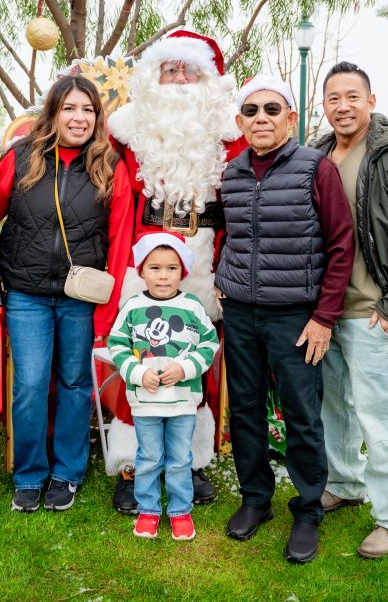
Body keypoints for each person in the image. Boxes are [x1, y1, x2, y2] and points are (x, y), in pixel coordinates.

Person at [105, 30, 246, 513]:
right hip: (144, 255)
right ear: (153, 76)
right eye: (170, 70)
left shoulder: (232, 136)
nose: (180, 79)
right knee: (140, 354)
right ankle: (132, 463)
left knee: (197, 359)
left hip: (206, 258)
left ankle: (190, 460)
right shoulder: (126, 132)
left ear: (209, 79)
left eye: (189, 70)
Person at [215, 75, 354, 564]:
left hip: (295, 315)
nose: (261, 119)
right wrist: (221, 276)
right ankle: (256, 498)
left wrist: (324, 316)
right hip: (240, 311)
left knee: (300, 412)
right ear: (240, 122)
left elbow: (341, 244)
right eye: (251, 111)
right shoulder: (231, 173)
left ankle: (308, 507)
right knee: (246, 408)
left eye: (272, 110)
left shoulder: (315, 168)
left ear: (290, 118)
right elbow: (227, 235)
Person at [309, 61, 388, 559]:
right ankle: (343, 482)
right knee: (333, 408)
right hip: (327, 311)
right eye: (333, 98)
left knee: (381, 417)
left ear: (371, 100)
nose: (343, 106)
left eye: (352, 96)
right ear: (325, 106)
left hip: (371, 311)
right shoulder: (317, 154)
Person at [0, 75, 133, 513]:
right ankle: (29, 474)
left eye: (87, 110)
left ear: (97, 117)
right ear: (53, 112)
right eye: (70, 107)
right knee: (31, 384)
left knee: (74, 384)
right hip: (27, 294)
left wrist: (110, 309)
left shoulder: (110, 165)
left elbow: (121, 237)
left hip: (82, 296)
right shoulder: (21, 158)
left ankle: (67, 472)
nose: (79, 117)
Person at [108, 232, 220, 541]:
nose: (163, 276)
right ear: (141, 271)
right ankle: (148, 510)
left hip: (182, 401)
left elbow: (208, 346)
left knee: (179, 457)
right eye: (154, 268)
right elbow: (118, 345)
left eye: (171, 268)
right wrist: (137, 373)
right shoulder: (132, 308)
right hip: (146, 402)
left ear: (182, 272)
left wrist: (185, 368)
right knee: (149, 456)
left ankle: (180, 511)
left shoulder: (193, 308)